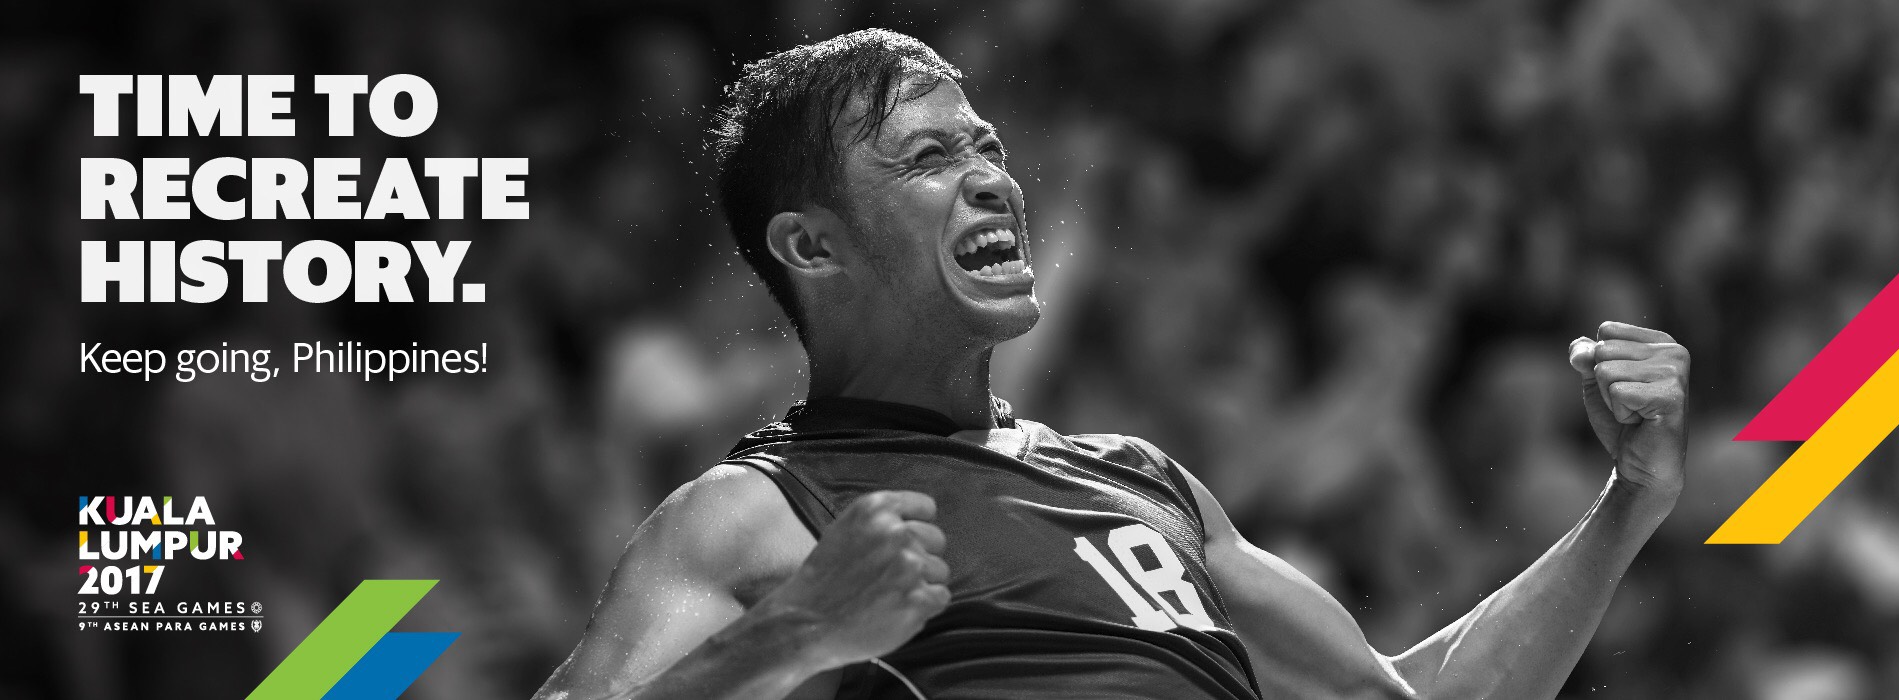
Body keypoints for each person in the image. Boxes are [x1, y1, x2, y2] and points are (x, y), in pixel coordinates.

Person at [533, 29, 1692, 700]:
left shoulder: (1146, 481)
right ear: (812, 246)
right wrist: (796, 631)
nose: (992, 178)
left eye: (988, 145)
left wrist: (1628, 504)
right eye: (927, 158)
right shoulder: (753, 514)